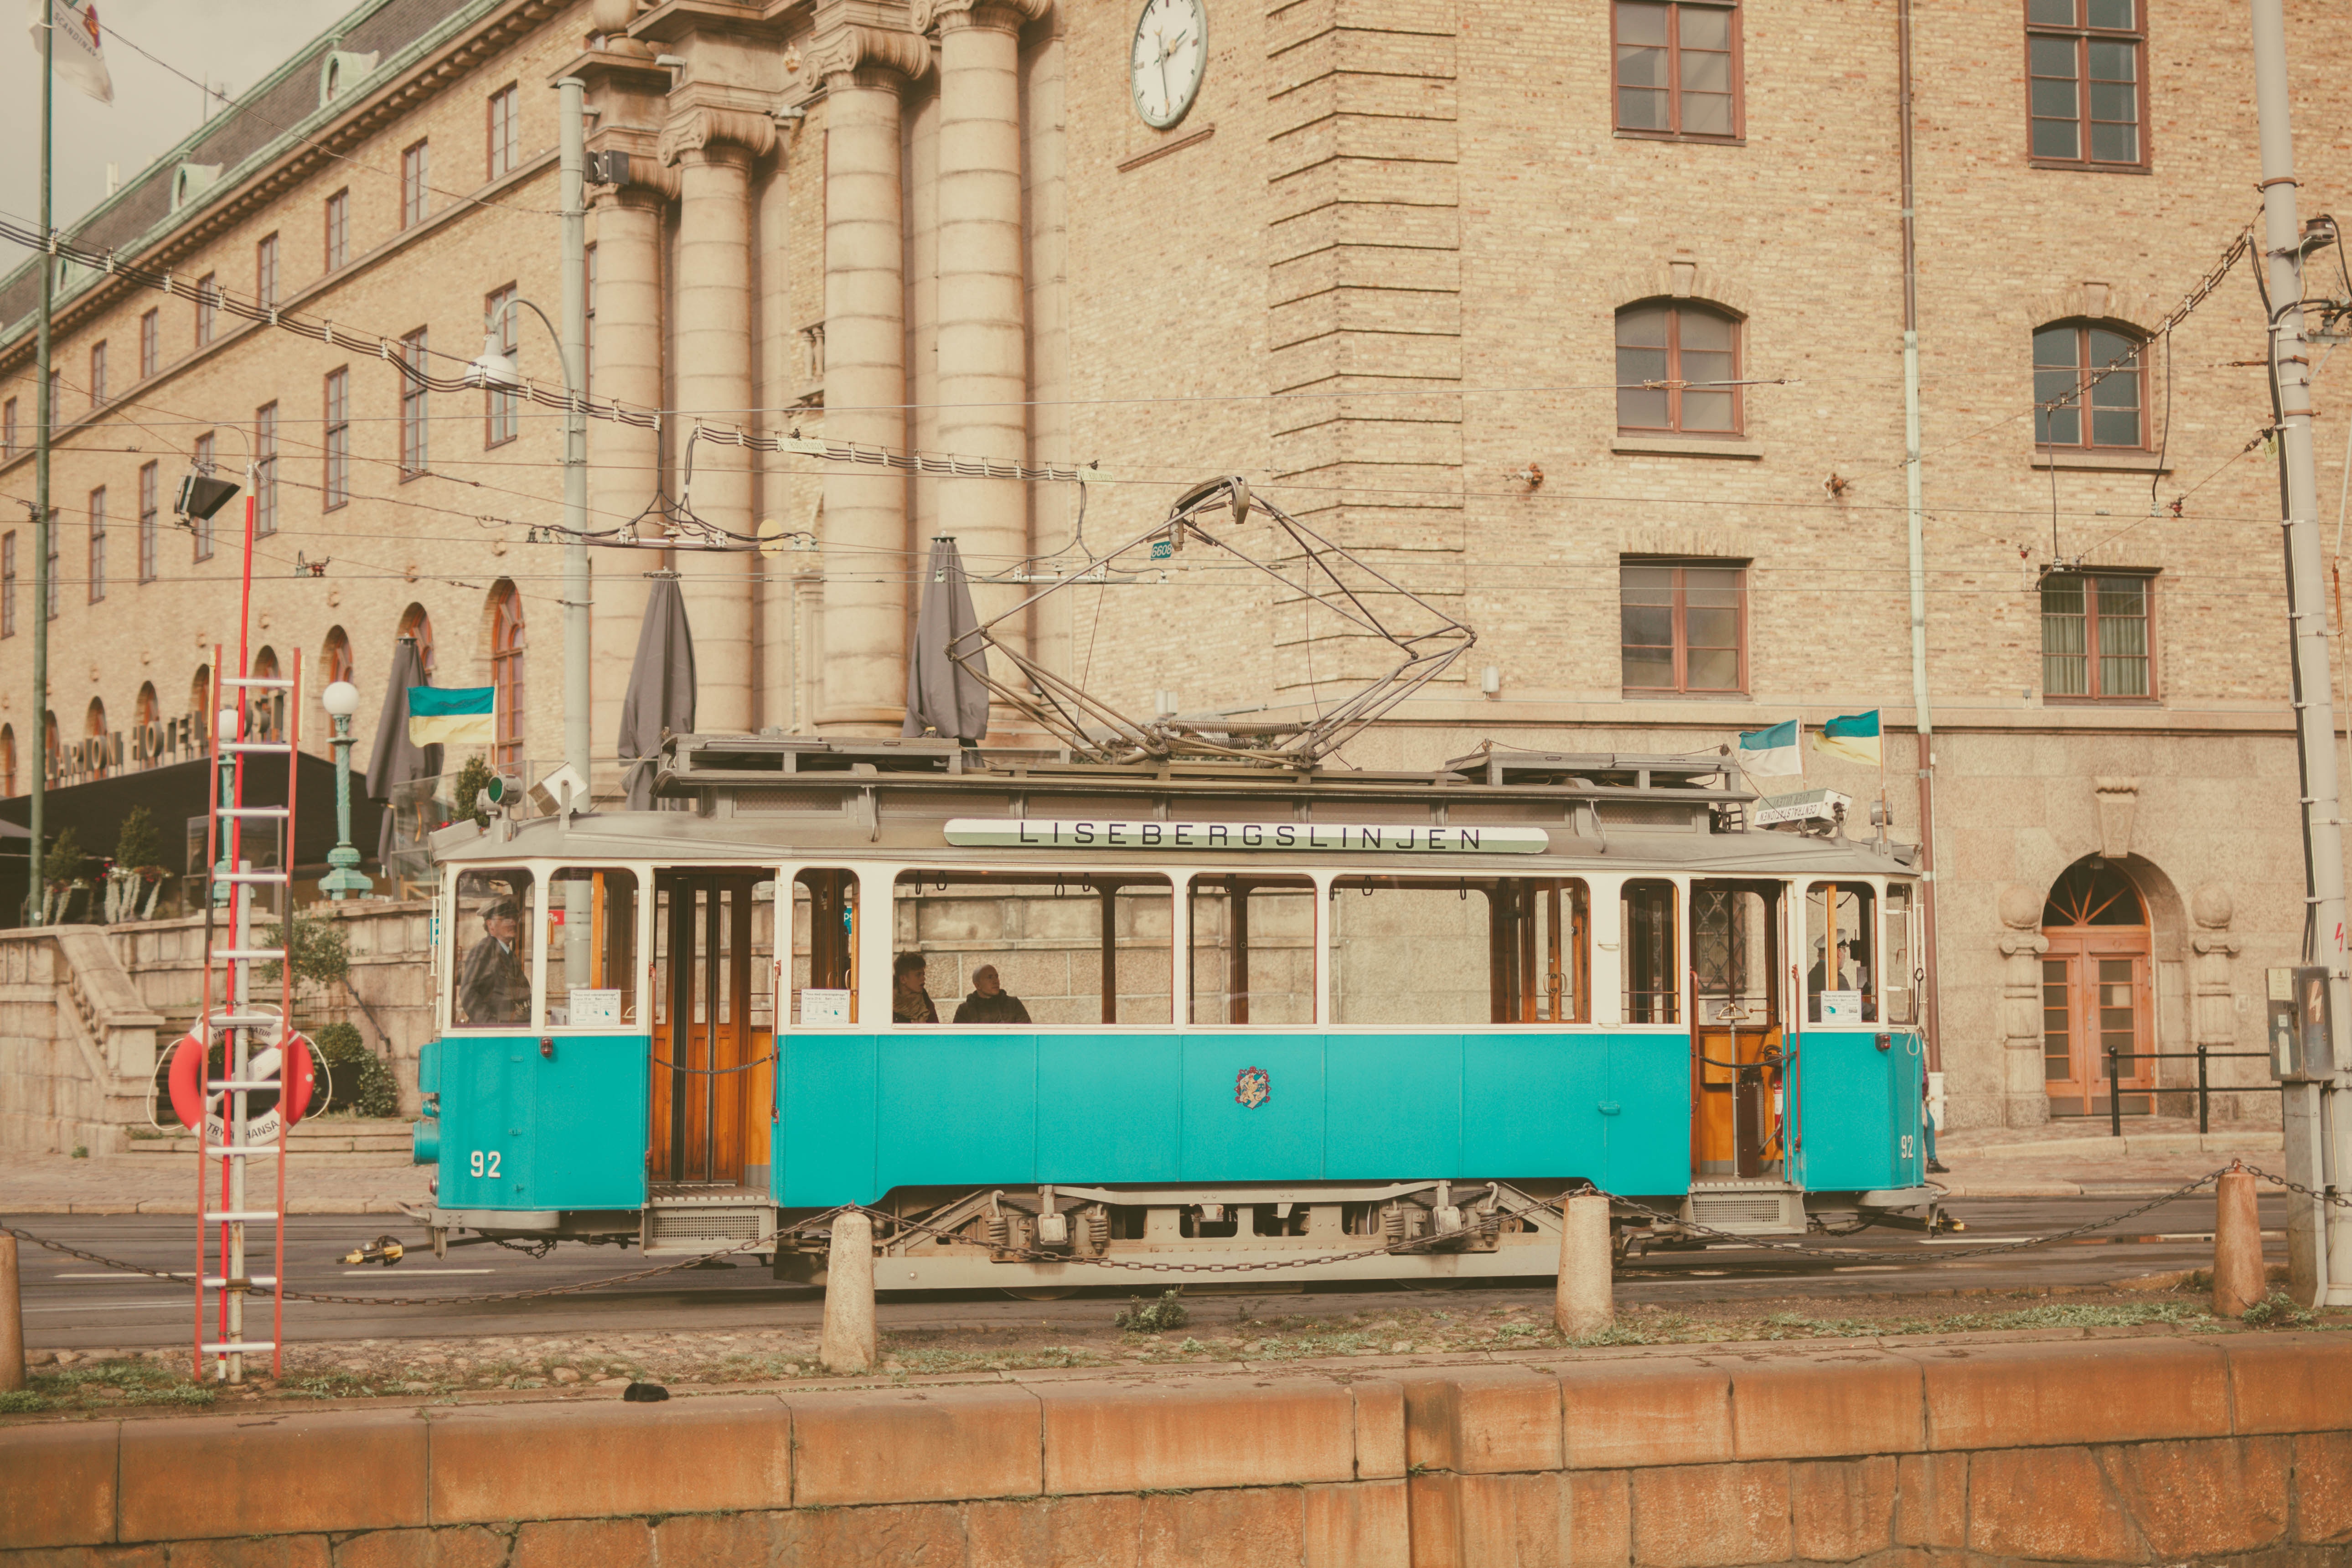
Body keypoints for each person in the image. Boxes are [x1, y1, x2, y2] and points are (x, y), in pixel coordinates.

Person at [457, 896, 530, 1026]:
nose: (513, 923)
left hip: (512, 1030)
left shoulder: (508, 954)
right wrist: (490, 1026)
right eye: (506, 919)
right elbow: (468, 994)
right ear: (490, 924)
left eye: (515, 918)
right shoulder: (483, 951)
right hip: (496, 1033)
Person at [954, 964, 1033, 1025]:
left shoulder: (1014, 1004)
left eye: (997, 977)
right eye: (990, 977)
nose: (996, 981)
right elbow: (958, 1038)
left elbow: (1026, 1034)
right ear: (978, 986)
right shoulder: (965, 1010)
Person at [893, 952, 938, 1024]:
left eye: (923, 974)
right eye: (918, 975)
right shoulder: (888, 1003)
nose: (923, 978)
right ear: (903, 980)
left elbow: (935, 1028)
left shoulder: (925, 1001)